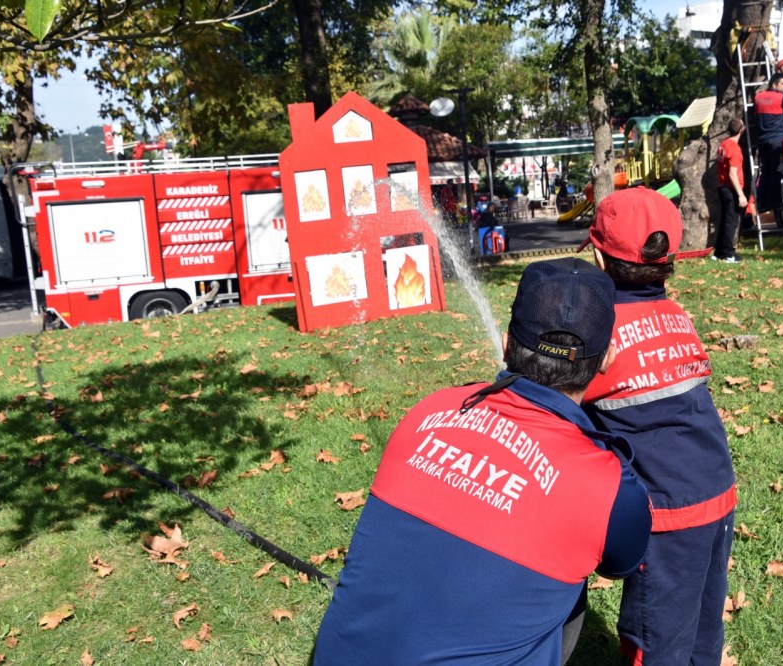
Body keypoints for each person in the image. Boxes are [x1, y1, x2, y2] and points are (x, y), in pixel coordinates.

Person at [313, 257, 652, 665]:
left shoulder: (428, 411)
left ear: (507, 344)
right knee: (572, 574)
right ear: (607, 359)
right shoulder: (609, 488)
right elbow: (621, 563)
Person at [578, 187, 736, 666]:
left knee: (658, 638)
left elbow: (559, 403)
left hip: (670, 513)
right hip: (717, 490)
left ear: (600, 261)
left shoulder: (599, 331)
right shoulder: (676, 317)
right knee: (704, 623)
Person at [754, 73, 783, 227]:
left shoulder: (758, 96)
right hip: (776, 140)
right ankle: (773, 202)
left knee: (766, 171)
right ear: (774, 84)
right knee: (777, 171)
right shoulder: (781, 98)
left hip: (762, 140)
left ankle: (761, 201)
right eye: (782, 84)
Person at [715, 118, 747, 263]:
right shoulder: (735, 148)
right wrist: (741, 195)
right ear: (741, 130)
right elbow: (732, 174)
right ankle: (729, 254)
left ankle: (719, 252)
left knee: (724, 220)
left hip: (722, 186)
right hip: (730, 188)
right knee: (731, 221)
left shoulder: (723, 144)